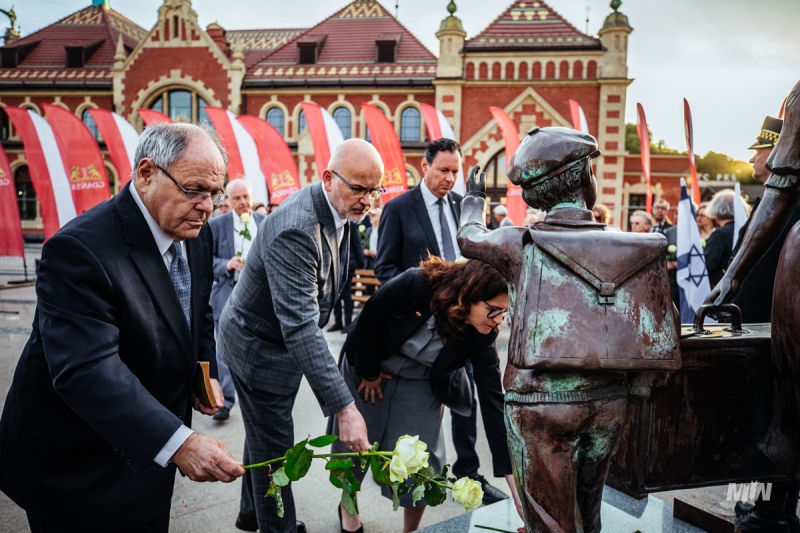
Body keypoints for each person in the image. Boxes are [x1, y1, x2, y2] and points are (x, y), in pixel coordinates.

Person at [0, 123, 245, 531]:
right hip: (77, 462)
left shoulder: (193, 230)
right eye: (194, 190)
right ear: (146, 174)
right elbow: (87, 370)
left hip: (147, 446)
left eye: (214, 193)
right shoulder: (79, 250)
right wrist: (180, 442)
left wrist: (205, 372)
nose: (207, 206)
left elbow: (197, 310)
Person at [458, 126, 679, 533]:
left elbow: (468, 237)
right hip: (609, 402)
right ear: (585, 178)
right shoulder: (630, 245)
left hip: (538, 404)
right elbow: (662, 332)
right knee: (588, 511)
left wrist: (473, 199)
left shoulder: (518, 242)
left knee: (551, 522)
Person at [218, 139, 382, 533]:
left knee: (262, 432)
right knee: (276, 450)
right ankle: (279, 528)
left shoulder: (336, 211)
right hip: (258, 351)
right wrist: (346, 409)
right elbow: (300, 327)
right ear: (328, 178)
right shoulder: (296, 228)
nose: (367, 200)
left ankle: (248, 515)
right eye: (358, 188)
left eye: (374, 190)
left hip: (276, 344)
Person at [332, 257, 522, 533]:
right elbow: (370, 318)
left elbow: (493, 402)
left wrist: (518, 496)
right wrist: (369, 372)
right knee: (354, 445)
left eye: (505, 312)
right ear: (468, 295)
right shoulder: (416, 282)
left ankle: (411, 530)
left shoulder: (483, 333)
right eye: (493, 310)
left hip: (424, 380)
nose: (499, 322)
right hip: (372, 367)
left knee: (420, 462)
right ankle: (349, 510)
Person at [374, 137, 508, 504]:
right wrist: (425, 293)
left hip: (465, 321)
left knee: (468, 399)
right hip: (421, 327)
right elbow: (383, 268)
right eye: (443, 170)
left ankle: (470, 472)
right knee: (426, 406)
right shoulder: (399, 208)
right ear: (425, 166)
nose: (450, 178)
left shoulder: (460, 207)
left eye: (455, 171)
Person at [706, 83, 800, 533]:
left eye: (760, 151)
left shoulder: (781, 207)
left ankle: (758, 509)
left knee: (761, 423)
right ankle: (767, 509)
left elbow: (762, 277)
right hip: (763, 327)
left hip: (766, 331)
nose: (753, 160)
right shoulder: (769, 203)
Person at [208, 180, 266, 421]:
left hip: (259, 300)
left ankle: (258, 399)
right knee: (223, 351)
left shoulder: (264, 222)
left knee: (257, 350)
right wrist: (226, 264)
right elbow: (203, 260)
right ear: (228, 200)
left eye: (246, 197)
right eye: (237, 198)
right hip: (226, 296)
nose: (243, 202)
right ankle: (225, 402)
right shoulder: (216, 225)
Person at [704, 189, 751, 287]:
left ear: (716, 208)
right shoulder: (747, 229)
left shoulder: (719, 234)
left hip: (722, 286)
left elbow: (708, 265)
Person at [329, 220, 367, 332]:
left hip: (348, 264)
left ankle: (348, 324)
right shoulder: (332, 223)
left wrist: (360, 263)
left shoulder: (351, 225)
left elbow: (357, 244)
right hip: (334, 264)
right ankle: (338, 323)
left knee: (346, 294)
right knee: (335, 294)